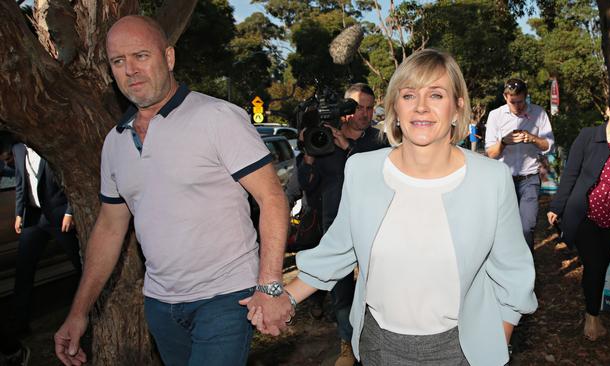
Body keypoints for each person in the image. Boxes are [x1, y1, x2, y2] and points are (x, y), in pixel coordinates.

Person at [244, 49, 537, 366]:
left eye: (436, 95)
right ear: (395, 107)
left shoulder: (490, 179)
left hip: (461, 348)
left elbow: (513, 275)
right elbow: (339, 249)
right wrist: (282, 296)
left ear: (457, 107)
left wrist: (495, 344)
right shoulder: (362, 169)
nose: (421, 106)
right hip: (377, 346)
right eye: (409, 95)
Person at [54, 15, 291, 366]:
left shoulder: (218, 117)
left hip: (226, 297)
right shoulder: (114, 143)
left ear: (168, 58)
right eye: (119, 61)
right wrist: (79, 312)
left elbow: (272, 198)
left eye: (141, 56)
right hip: (161, 306)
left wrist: (269, 285)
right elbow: (109, 227)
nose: (130, 69)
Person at [296, 83, 388, 366]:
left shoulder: (379, 140)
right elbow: (308, 186)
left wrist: (347, 148)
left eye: (369, 108)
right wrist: (310, 150)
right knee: (342, 294)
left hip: (377, 228)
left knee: (379, 289)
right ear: (344, 110)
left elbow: (384, 178)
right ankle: (347, 343)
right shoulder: (323, 138)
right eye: (358, 107)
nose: (364, 113)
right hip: (335, 227)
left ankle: (379, 342)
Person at [547, 90, 610, 341]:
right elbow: (571, 173)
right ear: (608, 111)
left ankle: (592, 310)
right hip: (584, 214)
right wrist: (556, 206)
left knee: (598, 268)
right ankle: (592, 318)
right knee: (595, 264)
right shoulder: (588, 137)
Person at [11, 143, 82, 336]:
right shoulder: (17, 149)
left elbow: (72, 179)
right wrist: (19, 213)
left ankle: (91, 312)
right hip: (33, 217)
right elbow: (20, 183)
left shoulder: (50, 144)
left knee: (81, 263)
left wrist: (70, 211)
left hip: (59, 217)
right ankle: (20, 325)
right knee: (23, 269)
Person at [485, 78, 554, 250]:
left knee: (526, 227)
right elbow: (490, 153)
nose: (517, 106)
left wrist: (533, 138)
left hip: (529, 179)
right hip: (504, 179)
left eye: (520, 101)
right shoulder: (495, 115)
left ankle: (526, 269)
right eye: (512, 102)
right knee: (503, 228)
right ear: (505, 97)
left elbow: (549, 146)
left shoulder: (539, 113)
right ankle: (505, 267)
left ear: (526, 96)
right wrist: (504, 142)